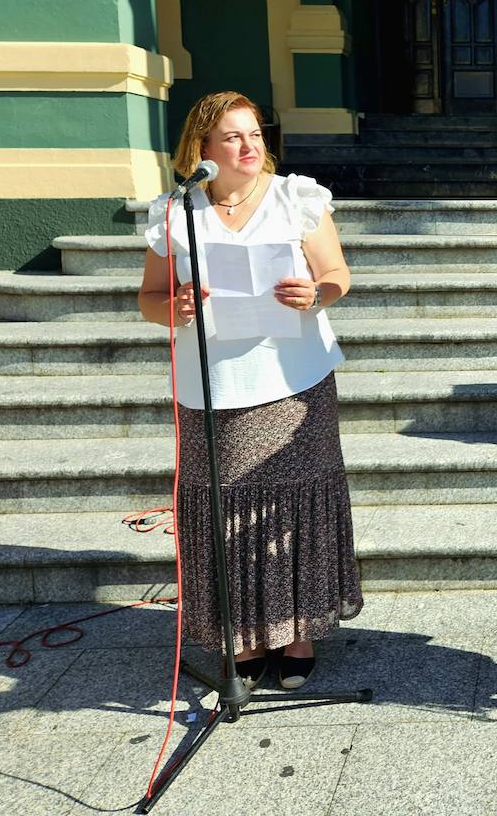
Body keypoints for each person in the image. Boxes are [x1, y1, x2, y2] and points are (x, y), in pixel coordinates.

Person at [137, 90, 360, 691]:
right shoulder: (175, 212)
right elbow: (149, 299)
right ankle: (242, 637)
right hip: (212, 385)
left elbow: (337, 275)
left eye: (256, 133)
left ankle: (296, 632)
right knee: (224, 514)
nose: (250, 145)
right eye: (233, 136)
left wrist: (317, 294)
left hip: (293, 382)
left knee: (291, 508)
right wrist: (175, 305)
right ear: (202, 149)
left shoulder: (297, 198)